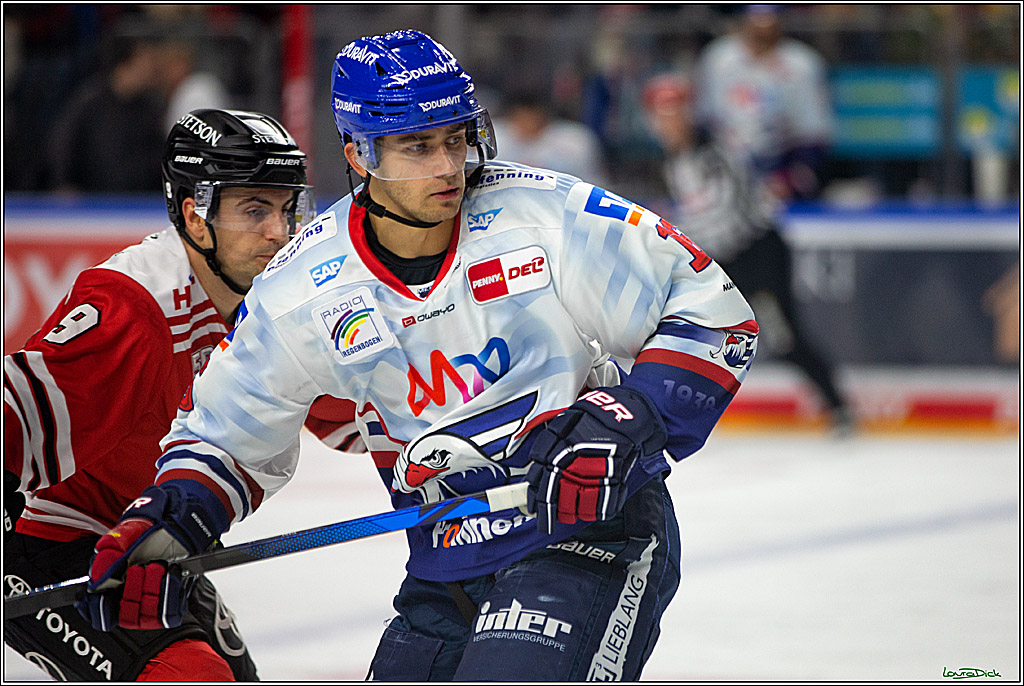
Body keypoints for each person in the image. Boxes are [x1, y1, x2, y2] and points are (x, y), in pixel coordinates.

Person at [77, 31, 758, 681]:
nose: (447, 165)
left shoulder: (544, 215)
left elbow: (709, 310)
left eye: (455, 137)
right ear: (358, 152)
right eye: (416, 145)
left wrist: (623, 420)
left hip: (585, 538)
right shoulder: (302, 287)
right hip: (442, 569)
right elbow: (228, 437)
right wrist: (171, 518)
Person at [3, 108, 352, 681]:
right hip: (51, 544)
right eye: (254, 210)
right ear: (195, 215)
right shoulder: (136, 310)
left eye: (287, 210)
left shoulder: (277, 302)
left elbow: (354, 412)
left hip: (158, 538)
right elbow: (17, 415)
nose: (279, 232)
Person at [643, 73, 850, 429]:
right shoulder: (673, 162)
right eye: (661, 115)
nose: (669, 123)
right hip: (720, 257)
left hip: (756, 252)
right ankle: (675, 414)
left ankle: (838, 406)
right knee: (682, 329)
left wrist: (673, 231)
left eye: (675, 112)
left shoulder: (715, 151)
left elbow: (727, 211)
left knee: (784, 337)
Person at [695, 4, 832, 201]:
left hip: (781, 162)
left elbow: (813, 134)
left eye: (770, 18)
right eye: (756, 18)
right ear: (744, 19)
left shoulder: (802, 63)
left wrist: (788, 177)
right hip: (724, 163)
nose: (763, 25)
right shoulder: (718, 58)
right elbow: (704, 120)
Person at [47, 36, 167, 193]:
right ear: (125, 65)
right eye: (144, 62)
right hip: (91, 202)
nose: (151, 69)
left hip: (138, 204)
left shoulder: (149, 108)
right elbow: (63, 144)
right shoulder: (89, 102)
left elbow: (158, 155)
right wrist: (63, 183)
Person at [491, 87, 610, 187]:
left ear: (543, 114)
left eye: (532, 116)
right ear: (510, 115)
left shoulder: (575, 140)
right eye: (522, 117)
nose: (528, 122)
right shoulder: (492, 139)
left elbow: (594, 185)